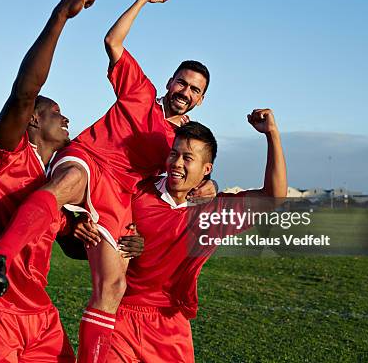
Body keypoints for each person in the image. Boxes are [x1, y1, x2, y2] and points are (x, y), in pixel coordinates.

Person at [0, 0, 217, 363]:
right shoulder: (140, 91)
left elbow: (178, 181)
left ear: (201, 100)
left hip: (117, 198)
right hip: (88, 159)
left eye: (195, 90)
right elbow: (112, 41)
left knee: (114, 286)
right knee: (68, 182)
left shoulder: (182, 141)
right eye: (182, 82)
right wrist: (142, 1)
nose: (186, 90)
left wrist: (208, 185)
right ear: (170, 82)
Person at [0, 0, 99, 363]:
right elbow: (24, 92)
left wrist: (94, 238)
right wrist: (60, 16)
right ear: (32, 120)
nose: (66, 118)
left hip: (40, 314)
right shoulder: (7, 154)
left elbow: (67, 245)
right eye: (56, 112)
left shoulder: (54, 181)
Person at [105, 116, 287, 362]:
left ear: (206, 169)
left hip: (170, 325)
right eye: (174, 154)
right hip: (119, 315)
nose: (177, 163)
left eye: (187, 158)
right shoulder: (137, 192)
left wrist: (272, 134)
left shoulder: (213, 213)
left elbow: (272, 197)